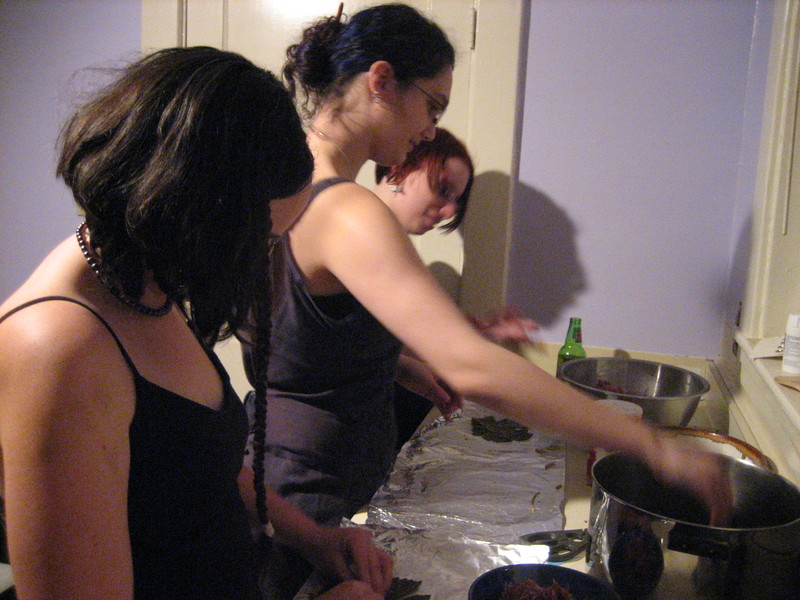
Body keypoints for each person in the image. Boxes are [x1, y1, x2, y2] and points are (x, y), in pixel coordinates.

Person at [251, 2, 731, 596]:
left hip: (279, 483)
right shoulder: (348, 210)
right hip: (314, 497)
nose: (430, 128)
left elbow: (295, 337)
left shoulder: (286, 185)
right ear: (380, 82)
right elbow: (469, 366)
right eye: (433, 104)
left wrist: (399, 365)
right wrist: (652, 445)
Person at [0, 46, 391, 600]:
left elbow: (194, 460)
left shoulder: (142, 280)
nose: (262, 263)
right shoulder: (59, 349)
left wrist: (313, 538)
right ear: (195, 213)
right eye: (260, 241)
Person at [374, 126, 541, 447]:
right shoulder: (360, 240)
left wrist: (483, 331)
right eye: (444, 189)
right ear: (399, 166)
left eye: (456, 200)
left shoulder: (399, 251)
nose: (450, 211)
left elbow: (404, 336)